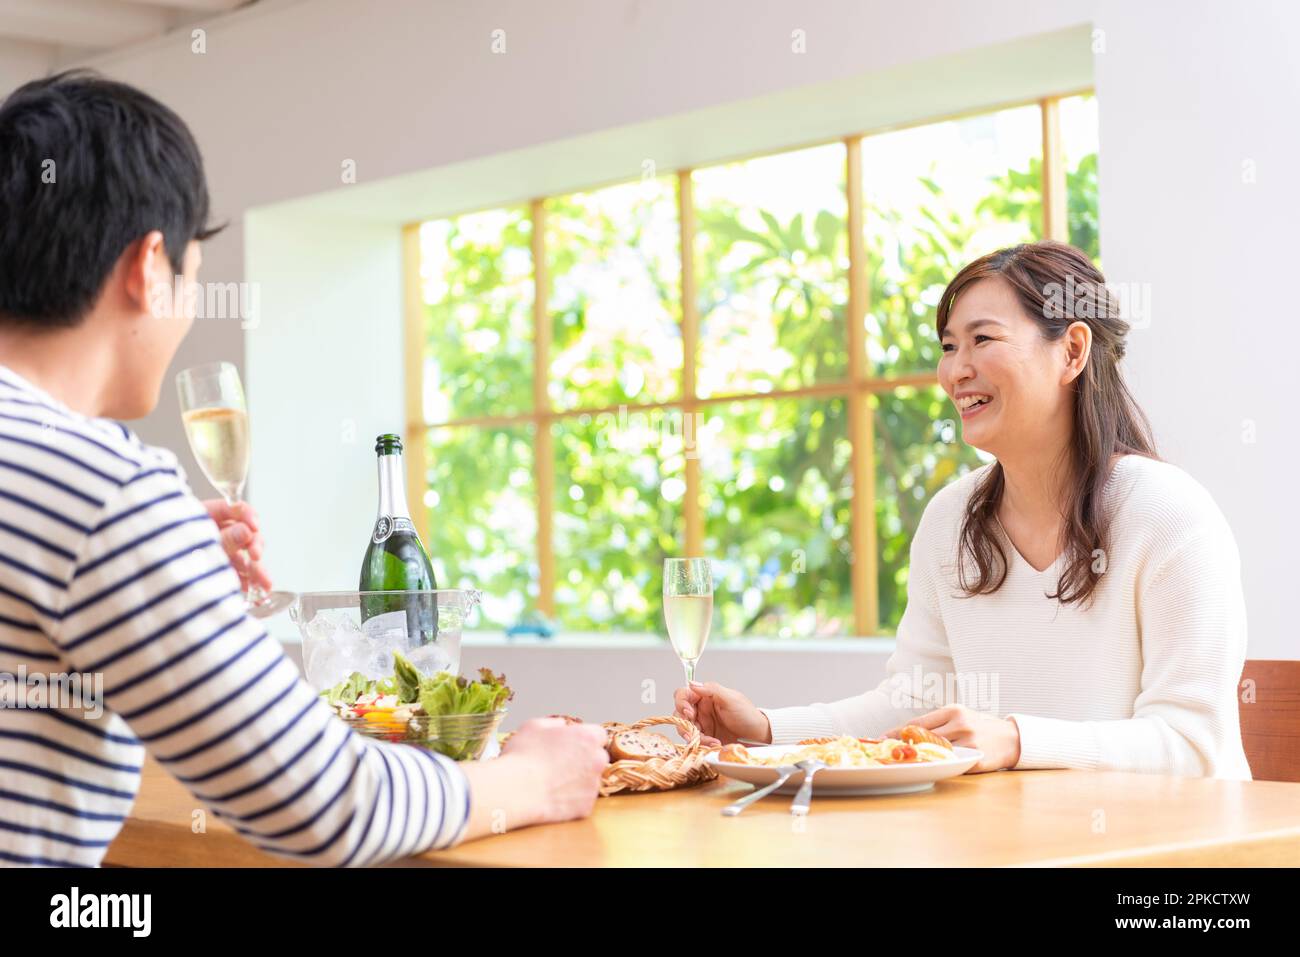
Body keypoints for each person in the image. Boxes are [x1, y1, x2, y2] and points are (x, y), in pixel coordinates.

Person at [0, 70, 608, 868]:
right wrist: (531, 779)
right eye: (191, 274)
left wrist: (160, 583)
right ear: (150, 266)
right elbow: (323, 802)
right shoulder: (104, 489)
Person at [677, 241, 1252, 780]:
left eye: (983, 340)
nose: (956, 370)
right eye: (950, 346)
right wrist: (769, 730)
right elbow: (912, 704)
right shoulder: (952, 520)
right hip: (1017, 846)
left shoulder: (1168, 513)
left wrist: (1016, 740)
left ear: (1073, 351)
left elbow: (1193, 745)